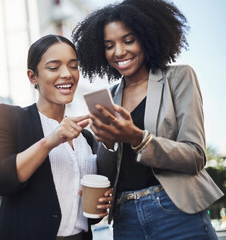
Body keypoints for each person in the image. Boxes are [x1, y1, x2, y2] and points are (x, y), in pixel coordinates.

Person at [72, 0, 224, 239]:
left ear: (147, 37)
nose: (119, 52)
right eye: (109, 45)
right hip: (126, 219)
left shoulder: (178, 78)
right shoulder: (110, 97)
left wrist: (137, 137)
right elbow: (107, 172)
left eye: (128, 40)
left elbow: (195, 155)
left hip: (175, 211)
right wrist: (108, 142)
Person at [0, 34, 113, 240]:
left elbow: (87, 216)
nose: (67, 74)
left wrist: (100, 205)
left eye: (73, 66)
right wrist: (50, 141)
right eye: (54, 67)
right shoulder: (12, 117)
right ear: (33, 77)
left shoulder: (87, 138)